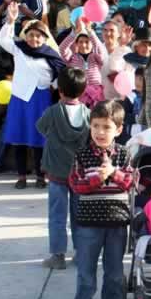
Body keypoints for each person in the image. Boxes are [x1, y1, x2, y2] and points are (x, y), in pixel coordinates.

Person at [69, 100, 133, 299]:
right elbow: (76, 184)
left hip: (116, 224)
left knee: (114, 272)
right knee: (85, 272)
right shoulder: (82, 155)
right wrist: (98, 178)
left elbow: (131, 182)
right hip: (88, 225)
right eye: (95, 126)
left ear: (119, 130)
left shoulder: (124, 154)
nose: (100, 132)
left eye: (106, 127)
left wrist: (113, 172)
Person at [0, 2, 65, 189]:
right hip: (19, 98)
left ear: (45, 38)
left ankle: (40, 176)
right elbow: (4, 40)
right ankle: (21, 176)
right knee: (19, 138)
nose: (34, 38)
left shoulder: (52, 56)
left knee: (39, 140)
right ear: (25, 35)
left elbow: (58, 79)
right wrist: (10, 21)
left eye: (38, 35)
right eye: (30, 35)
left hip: (40, 100)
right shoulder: (19, 48)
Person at [37, 67, 91, 270]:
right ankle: (80, 253)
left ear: (59, 90)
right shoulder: (88, 114)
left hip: (57, 173)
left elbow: (41, 128)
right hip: (80, 173)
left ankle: (58, 256)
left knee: (57, 216)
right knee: (80, 215)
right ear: (83, 91)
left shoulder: (52, 112)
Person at [59, 18, 107, 108]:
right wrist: (74, 33)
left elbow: (100, 50)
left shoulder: (96, 57)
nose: (83, 45)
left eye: (87, 42)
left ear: (92, 43)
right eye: (80, 42)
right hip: (77, 95)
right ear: (76, 44)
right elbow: (62, 49)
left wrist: (90, 32)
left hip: (95, 97)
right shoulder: (72, 57)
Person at [100, 20, 132, 100]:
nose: (108, 33)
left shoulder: (126, 51)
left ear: (118, 34)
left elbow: (130, 77)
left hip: (119, 99)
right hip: (99, 99)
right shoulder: (97, 50)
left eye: (112, 30)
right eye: (105, 30)